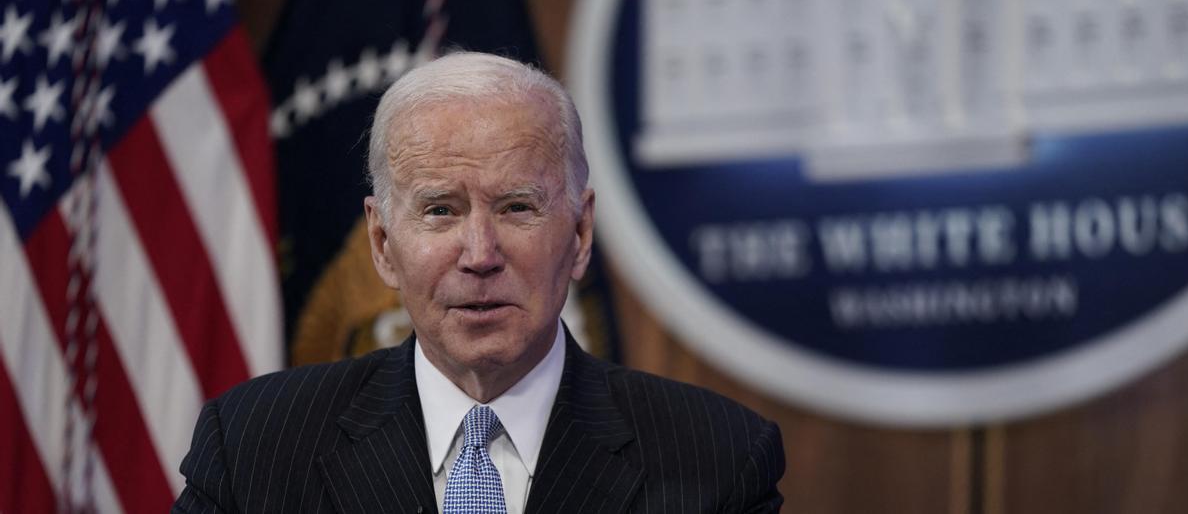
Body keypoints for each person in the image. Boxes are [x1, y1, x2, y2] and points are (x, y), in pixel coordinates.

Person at [173, 52, 785, 513]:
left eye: (518, 207)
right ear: (382, 244)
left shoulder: (718, 459)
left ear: (578, 233)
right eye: (440, 210)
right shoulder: (254, 448)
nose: (480, 254)